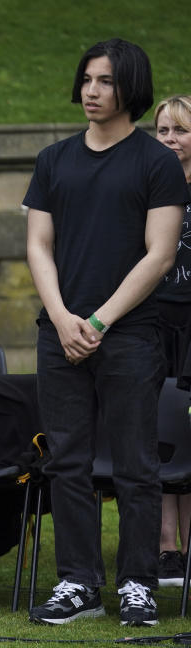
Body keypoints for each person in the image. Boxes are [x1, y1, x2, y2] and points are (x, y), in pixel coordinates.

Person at [24, 38, 187, 626]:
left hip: (130, 336)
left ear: (130, 89)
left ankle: (137, 585)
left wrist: (97, 320)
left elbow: (160, 255)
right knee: (66, 461)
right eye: (87, 79)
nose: (92, 91)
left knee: (136, 466)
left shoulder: (157, 162)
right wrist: (64, 318)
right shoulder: (53, 160)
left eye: (106, 82)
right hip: (58, 332)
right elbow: (38, 246)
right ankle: (78, 583)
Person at [152, 94, 191, 587]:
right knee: (160, 434)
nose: (170, 140)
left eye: (180, 130)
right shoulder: (148, 188)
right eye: (162, 130)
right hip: (155, 318)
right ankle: (165, 546)